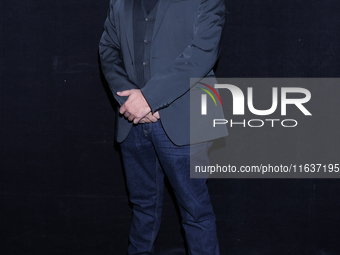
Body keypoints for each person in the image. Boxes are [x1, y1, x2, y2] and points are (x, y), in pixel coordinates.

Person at [99, 0, 227, 254]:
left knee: (196, 212)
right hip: (132, 122)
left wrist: (148, 99)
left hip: (185, 119)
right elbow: (108, 49)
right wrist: (129, 99)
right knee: (142, 209)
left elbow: (204, 51)